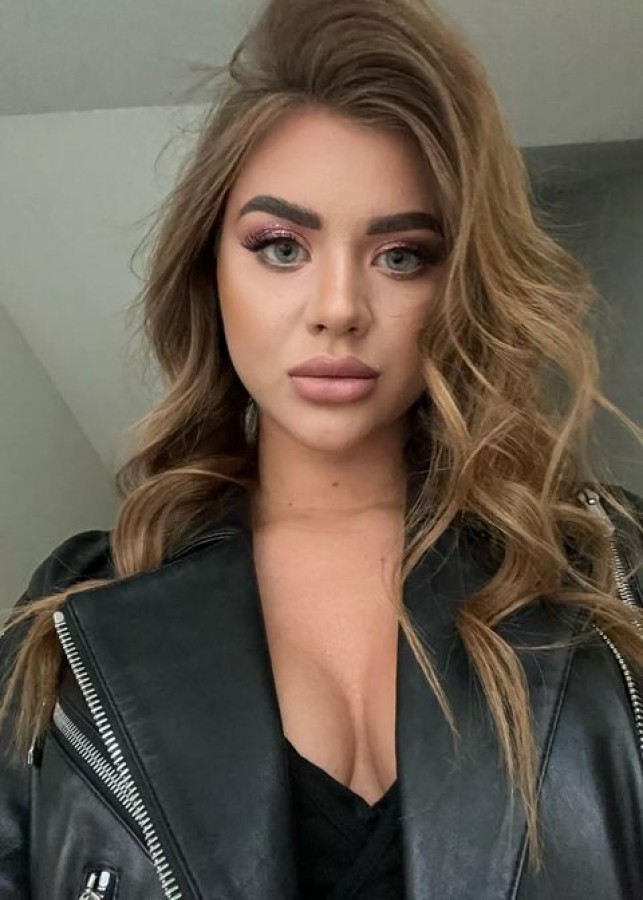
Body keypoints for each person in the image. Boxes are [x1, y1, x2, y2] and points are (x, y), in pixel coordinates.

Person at [1, 0, 643, 897]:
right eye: (280, 247)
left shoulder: (608, 572)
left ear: (461, 287)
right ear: (208, 272)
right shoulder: (72, 626)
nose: (338, 307)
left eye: (401, 255)